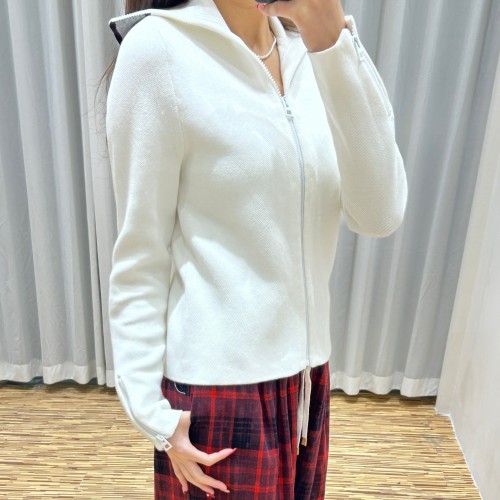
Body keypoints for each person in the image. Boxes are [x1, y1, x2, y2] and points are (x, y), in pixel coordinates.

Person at [103, 0, 408, 496]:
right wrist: (152, 415)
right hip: (218, 393)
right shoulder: (159, 51)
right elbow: (142, 251)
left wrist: (332, 40)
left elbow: (379, 213)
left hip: (308, 381)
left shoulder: (312, 52)